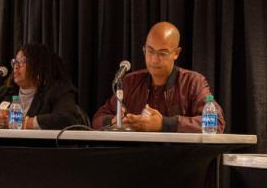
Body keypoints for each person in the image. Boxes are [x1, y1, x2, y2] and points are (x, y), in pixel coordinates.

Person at [92, 22, 225, 132]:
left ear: (176, 53)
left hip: (180, 159)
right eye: (150, 51)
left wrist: (164, 124)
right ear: (144, 50)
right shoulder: (130, 82)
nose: (154, 60)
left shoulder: (193, 82)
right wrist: (114, 120)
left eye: (162, 53)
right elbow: (97, 119)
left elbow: (216, 123)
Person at [0, 43, 84, 129]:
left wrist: (26, 122)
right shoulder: (7, 91)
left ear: (38, 65)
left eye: (22, 62)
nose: (16, 66)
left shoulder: (57, 90)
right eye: (15, 62)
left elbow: (66, 118)